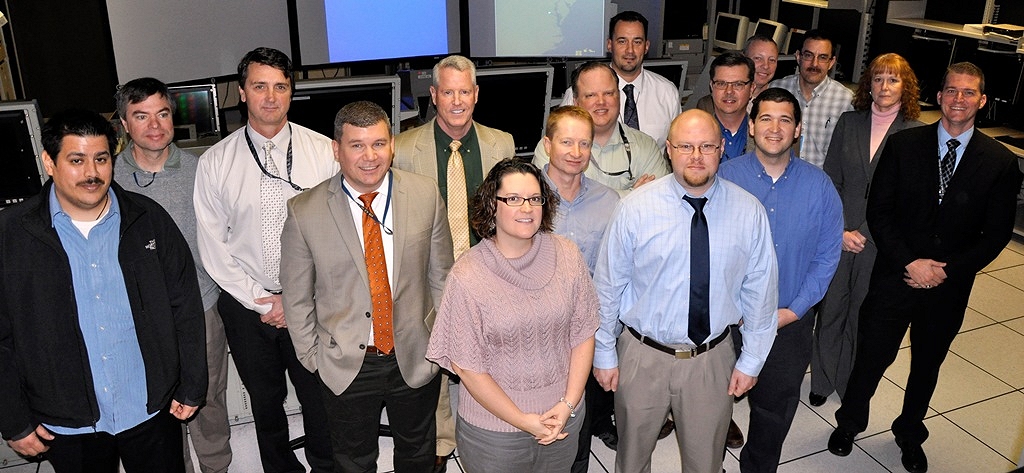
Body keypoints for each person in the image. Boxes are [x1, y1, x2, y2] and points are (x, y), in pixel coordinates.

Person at [827, 62, 1024, 473]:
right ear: (939, 96)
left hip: (947, 288)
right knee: (871, 356)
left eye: (968, 92)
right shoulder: (904, 146)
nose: (958, 99)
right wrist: (910, 262)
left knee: (926, 366)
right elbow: (880, 213)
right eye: (951, 90)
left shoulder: (1000, 162)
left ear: (983, 101)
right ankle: (850, 422)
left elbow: (995, 235)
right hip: (894, 276)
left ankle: (909, 431)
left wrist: (944, 271)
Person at [0, 109, 207, 473]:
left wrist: (192, 382)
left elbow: (185, 305)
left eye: (101, 158)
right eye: (76, 160)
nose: (92, 173)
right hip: (67, 420)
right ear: (49, 162)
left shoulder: (147, 219)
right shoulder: (11, 235)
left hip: (150, 408)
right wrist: (13, 417)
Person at [593, 109, 779, 473]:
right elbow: (607, 286)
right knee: (631, 460)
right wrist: (604, 352)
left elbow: (762, 293)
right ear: (669, 149)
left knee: (705, 462)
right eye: (686, 146)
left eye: (707, 146)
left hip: (711, 359)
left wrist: (753, 359)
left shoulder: (749, 212)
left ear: (722, 148)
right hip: (641, 357)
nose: (696, 156)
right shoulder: (634, 208)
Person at [280, 101, 453, 472]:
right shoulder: (304, 211)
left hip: (415, 355)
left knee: (418, 452)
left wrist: (439, 343)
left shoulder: (425, 194)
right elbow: (296, 297)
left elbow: (442, 277)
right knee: (353, 460)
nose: (370, 156)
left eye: (378, 143)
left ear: (392, 144)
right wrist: (315, 358)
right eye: (357, 145)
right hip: (344, 361)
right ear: (336, 149)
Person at [194, 47, 335, 473]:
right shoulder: (216, 162)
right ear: (242, 93)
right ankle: (279, 467)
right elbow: (214, 247)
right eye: (260, 86)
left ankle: (326, 465)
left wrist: (298, 300)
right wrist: (262, 301)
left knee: (319, 396)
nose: (270, 97)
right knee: (265, 400)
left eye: (280, 86)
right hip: (247, 306)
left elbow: (337, 234)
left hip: (312, 302)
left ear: (291, 92)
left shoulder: (324, 151)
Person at [426, 159, 599, 473]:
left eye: (535, 199)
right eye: (514, 199)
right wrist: (524, 422)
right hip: (494, 434)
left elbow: (583, 333)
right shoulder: (468, 275)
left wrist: (568, 404)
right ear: (493, 205)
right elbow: (467, 368)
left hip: (562, 418)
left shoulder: (567, 255)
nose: (527, 208)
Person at [392, 55, 514, 471]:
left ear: (476, 95)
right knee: (437, 362)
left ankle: (497, 424)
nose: (457, 101)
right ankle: (441, 443)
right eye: (448, 92)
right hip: (432, 272)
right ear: (434, 95)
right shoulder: (404, 149)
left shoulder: (502, 143)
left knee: (493, 354)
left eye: (465, 91)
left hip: (489, 271)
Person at [718, 88, 843, 473]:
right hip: (727, 323)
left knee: (774, 408)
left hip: (788, 322)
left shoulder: (820, 187)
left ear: (798, 128)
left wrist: (795, 310)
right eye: (766, 118)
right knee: (713, 404)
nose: (775, 128)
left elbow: (826, 258)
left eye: (785, 119)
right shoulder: (724, 177)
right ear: (752, 126)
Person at [113, 77, 232, 473]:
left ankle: (217, 467)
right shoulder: (108, 179)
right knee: (160, 408)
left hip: (200, 307)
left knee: (209, 400)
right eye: (141, 116)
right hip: (140, 318)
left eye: (162, 114)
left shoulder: (203, 171)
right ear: (125, 124)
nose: (154, 125)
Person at [810, 53, 923, 407]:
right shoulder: (849, 121)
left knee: (862, 313)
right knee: (831, 309)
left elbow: (910, 198)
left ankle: (849, 382)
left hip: (881, 241)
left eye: (893, 80)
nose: (884, 87)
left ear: (906, 87)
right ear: (867, 84)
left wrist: (869, 231)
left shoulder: (916, 132)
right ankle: (823, 377)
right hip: (840, 234)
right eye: (877, 79)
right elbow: (831, 179)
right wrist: (841, 229)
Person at [539, 106, 620, 473]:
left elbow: (616, 268)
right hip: (538, 330)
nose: (575, 151)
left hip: (589, 328)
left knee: (580, 419)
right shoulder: (524, 197)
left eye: (583, 143)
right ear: (547, 144)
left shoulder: (610, 201)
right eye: (566, 141)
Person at [535, 61, 669, 196]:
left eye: (608, 93)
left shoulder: (646, 147)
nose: (601, 102)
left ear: (619, 97)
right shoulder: (553, 147)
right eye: (591, 95)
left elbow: (657, 201)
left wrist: (587, 197)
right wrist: (632, 194)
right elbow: (556, 200)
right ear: (576, 102)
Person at [561, 10, 681, 145]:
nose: (630, 50)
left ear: (646, 46)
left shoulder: (667, 92)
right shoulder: (579, 93)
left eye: (637, 42)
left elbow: (678, 146)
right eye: (622, 41)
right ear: (609, 45)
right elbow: (560, 144)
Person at [769, 29, 854, 168]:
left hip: (821, 184)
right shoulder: (777, 90)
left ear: (831, 62)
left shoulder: (845, 101)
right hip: (778, 179)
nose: (814, 64)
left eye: (822, 57)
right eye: (808, 55)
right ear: (798, 56)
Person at [684, 35, 779, 112]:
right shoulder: (710, 105)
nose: (766, 66)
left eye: (772, 60)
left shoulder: (780, 102)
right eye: (758, 58)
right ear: (743, 58)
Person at [695, 52, 757, 162]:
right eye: (721, 84)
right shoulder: (690, 134)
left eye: (738, 84)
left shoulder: (765, 136)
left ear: (752, 89)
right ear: (711, 86)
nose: (729, 91)